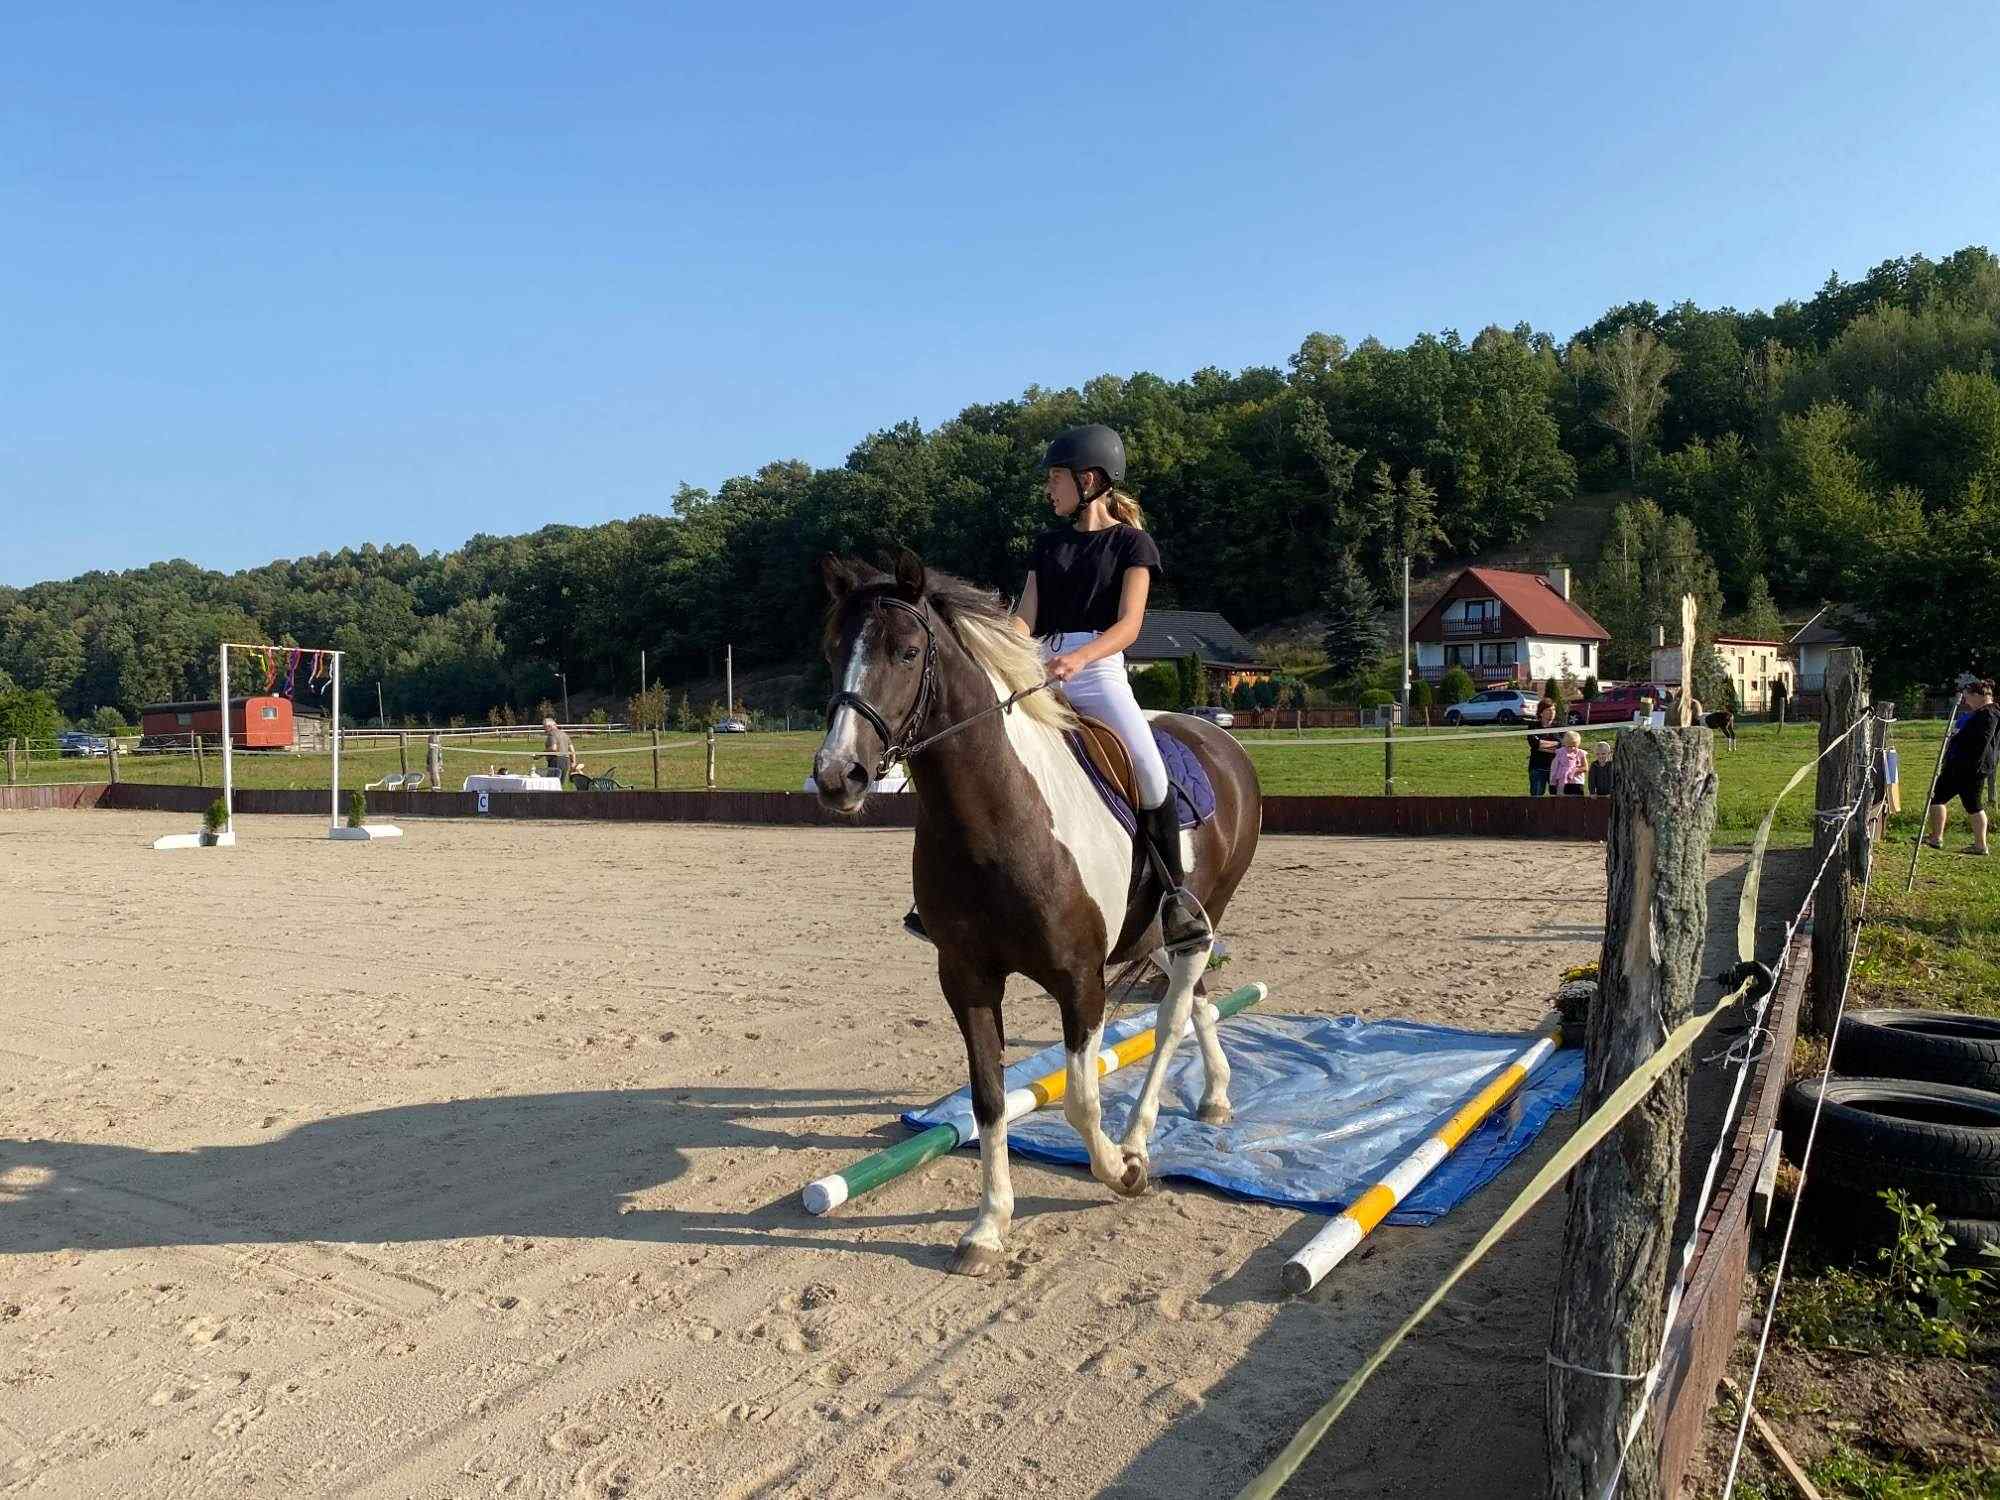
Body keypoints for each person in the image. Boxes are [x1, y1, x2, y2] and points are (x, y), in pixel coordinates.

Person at [902, 422, 1208, 954]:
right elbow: (1024, 619)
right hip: (1037, 665)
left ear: (1089, 479)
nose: (1049, 489)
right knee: (980, 752)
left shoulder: (1133, 545)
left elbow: (1130, 626)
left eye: (1055, 478)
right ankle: (947, 895)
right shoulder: (1047, 546)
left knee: (1149, 769)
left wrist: (1080, 658)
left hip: (1098, 669)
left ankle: (1174, 898)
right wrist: (991, 648)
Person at [1924, 678, 1998, 856]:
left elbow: (1981, 742)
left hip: (1967, 767)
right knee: (1972, 804)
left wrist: (1957, 738)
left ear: (1978, 696)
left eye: (1967, 697)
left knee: (1938, 797)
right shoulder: (1987, 712)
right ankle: (1978, 845)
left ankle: (1938, 838)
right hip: (1972, 766)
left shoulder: (1988, 715)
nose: (1965, 701)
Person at [1525, 699, 1561, 796]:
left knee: (1557, 798)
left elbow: (1562, 746)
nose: (1552, 712)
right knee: (1536, 797)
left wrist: (1543, 745)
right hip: (1537, 768)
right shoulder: (1533, 727)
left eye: (1553, 710)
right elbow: (1535, 744)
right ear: (1541, 713)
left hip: (1556, 769)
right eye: (1549, 710)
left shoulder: (1561, 727)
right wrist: (1555, 745)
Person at [543, 717, 581, 784]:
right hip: (566, 761)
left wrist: (540, 754)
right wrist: (573, 763)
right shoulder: (565, 735)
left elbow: (553, 748)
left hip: (555, 761)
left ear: (549, 726)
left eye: (544, 727)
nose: (544, 730)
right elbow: (572, 751)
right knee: (560, 784)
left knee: (552, 784)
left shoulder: (552, 734)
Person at [1551, 730, 1588, 796]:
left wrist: (1574, 771)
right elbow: (1555, 767)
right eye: (1569, 746)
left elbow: (1585, 768)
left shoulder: (1581, 753)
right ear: (1565, 744)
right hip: (1562, 783)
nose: (1572, 748)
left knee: (1577, 803)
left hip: (1577, 782)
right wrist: (1553, 782)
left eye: (1574, 746)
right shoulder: (1560, 752)